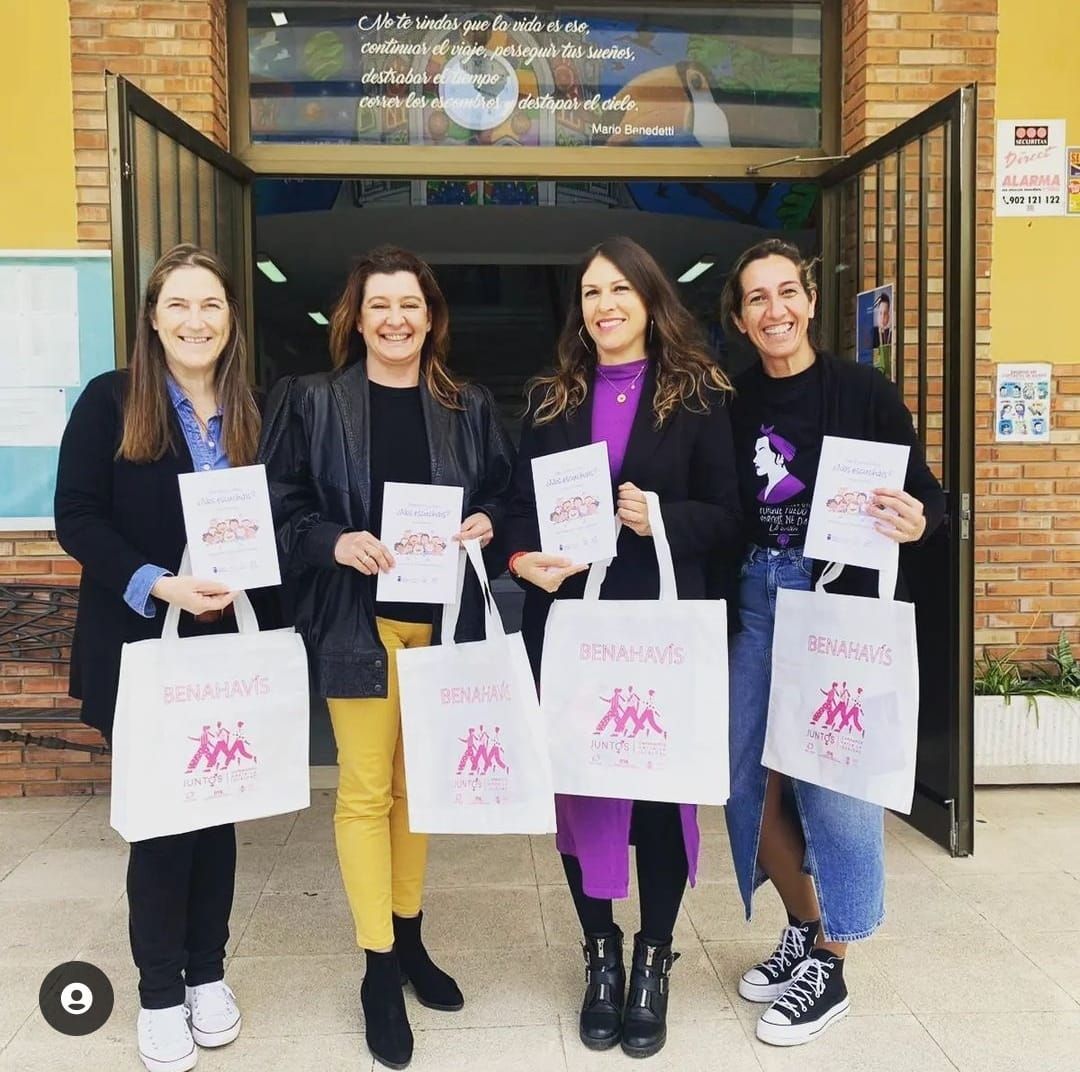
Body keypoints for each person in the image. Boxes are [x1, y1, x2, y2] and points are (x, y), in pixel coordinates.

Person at [258, 245, 515, 1070]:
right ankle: (377, 969)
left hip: (440, 623)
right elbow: (277, 504)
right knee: (366, 792)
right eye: (380, 305)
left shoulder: (468, 407)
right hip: (355, 622)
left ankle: (410, 940)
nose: (396, 319)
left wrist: (490, 521)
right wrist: (333, 540)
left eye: (410, 304)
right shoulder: (311, 400)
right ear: (356, 318)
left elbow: (505, 491)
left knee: (419, 790)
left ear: (431, 317)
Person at [504, 235, 742, 1059]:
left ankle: (653, 959)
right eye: (590, 292)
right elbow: (518, 506)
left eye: (619, 290)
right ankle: (600, 954)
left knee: (658, 794)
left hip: (658, 629)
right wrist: (519, 559)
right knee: (584, 792)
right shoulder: (550, 399)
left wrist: (663, 516)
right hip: (572, 624)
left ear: (649, 299)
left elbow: (731, 516)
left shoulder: (698, 393)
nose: (604, 305)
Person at [720, 237, 945, 1047]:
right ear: (740, 319)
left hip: (839, 604)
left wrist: (919, 520)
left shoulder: (863, 392)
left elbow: (926, 497)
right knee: (744, 784)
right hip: (757, 595)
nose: (774, 309)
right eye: (757, 298)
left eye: (787, 292)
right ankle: (805, 923)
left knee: (833, 781)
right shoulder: (732, 403)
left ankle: (833, 959)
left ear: (811, 302)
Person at [55, 244, 267, 1072]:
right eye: (178, 304)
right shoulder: (110, 401)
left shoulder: (254, 409)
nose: (195, 320)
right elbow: (77, 516)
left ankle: (208, 972)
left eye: (211, 304)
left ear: (231, 318)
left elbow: (275, 517)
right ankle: (158, 992)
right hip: (142, 643)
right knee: (162, 824)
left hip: (227, 648)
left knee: (218, 814)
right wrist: (161, 584)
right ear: (151, 317)